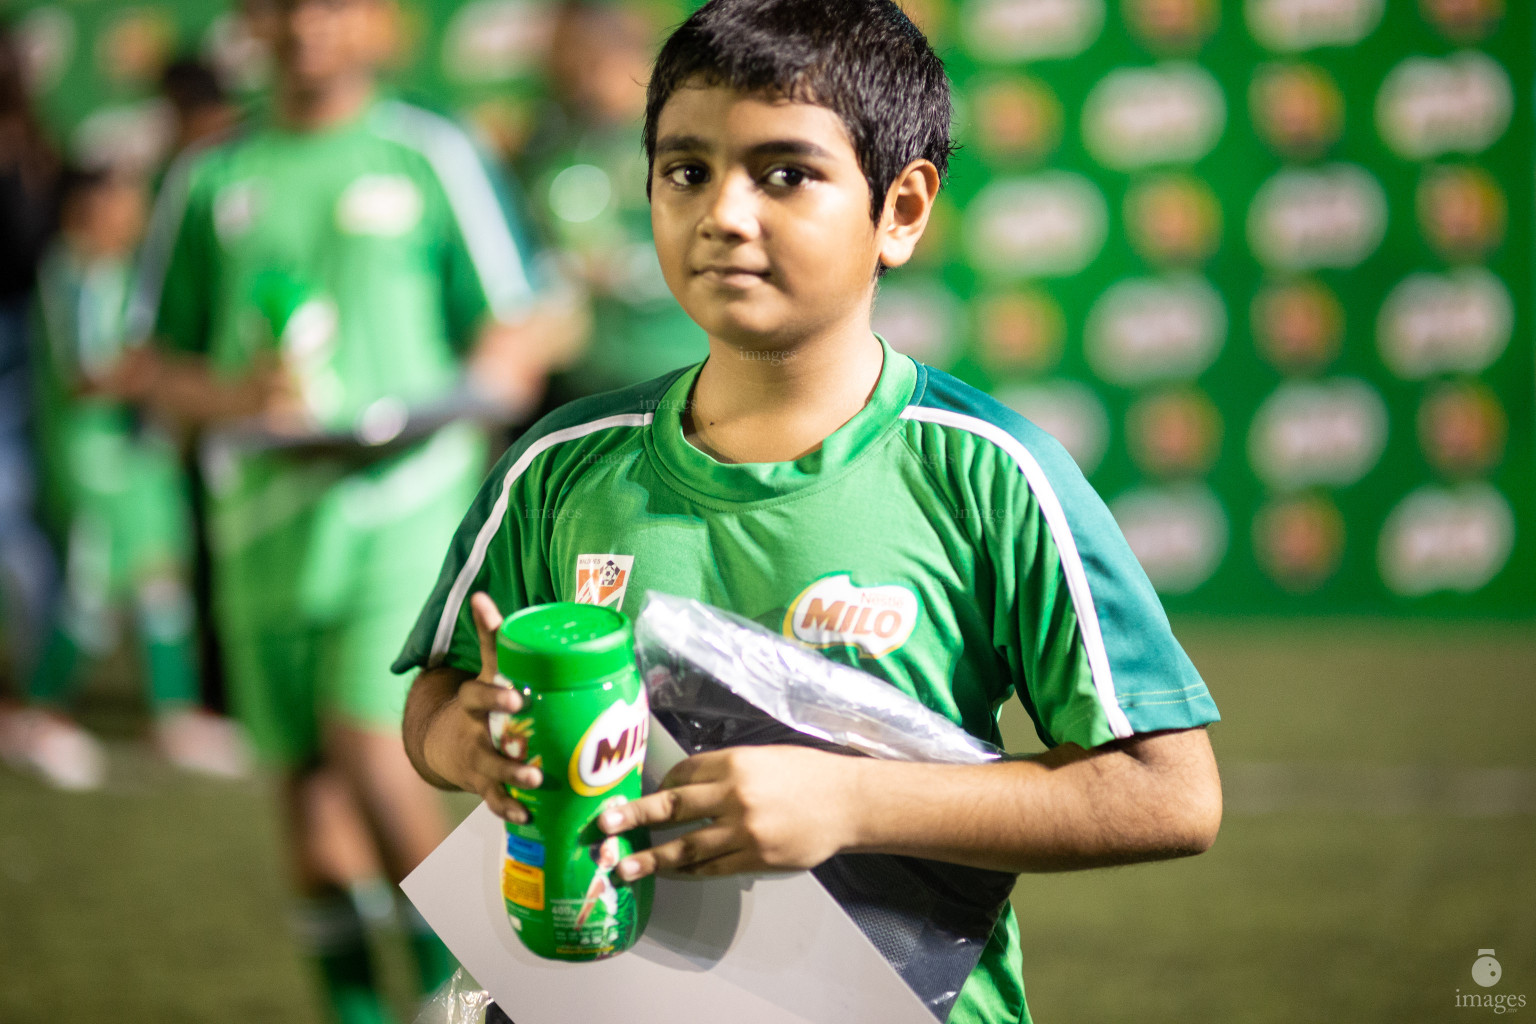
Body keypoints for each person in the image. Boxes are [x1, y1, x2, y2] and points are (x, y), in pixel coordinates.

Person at [396, 2, 1223, 1022]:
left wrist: (845, 801)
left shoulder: (996, 475)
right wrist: (465, 744)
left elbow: (1169, 792)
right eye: (685, 170)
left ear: (903, 210)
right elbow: (435, 699)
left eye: (785, 173)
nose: (724, 215)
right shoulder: (557, 467)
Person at [123, 0, 572, 1019]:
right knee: (305, 802)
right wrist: (239, 400)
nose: (304, 25)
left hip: (404, 503)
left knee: (372, 748)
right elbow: (150, 360)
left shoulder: (429, 153)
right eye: (280, 8)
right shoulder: (208, 175)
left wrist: (470, 393)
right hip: (262, 521)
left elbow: (518, 323)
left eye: (328, 4)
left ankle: (465, 997)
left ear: (371, 19)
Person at [7, 164, 249, 791]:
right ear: (87, 210)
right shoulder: (74, 275)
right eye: (122, 204)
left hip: (143, 462)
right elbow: (87, 376)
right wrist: (171, 380)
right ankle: (40, 714)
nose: (135, 216)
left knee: (162, 593)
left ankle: (174, 720)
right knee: (90, 597)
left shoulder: (128, 273)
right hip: (96, 465)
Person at [516, 0, 708, 404]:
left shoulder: (685, 143)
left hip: (675, 367)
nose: (582, 79)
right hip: (582, 380)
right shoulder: (553, 148)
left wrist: (620, 268)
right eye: (570, 62)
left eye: (596, 60)